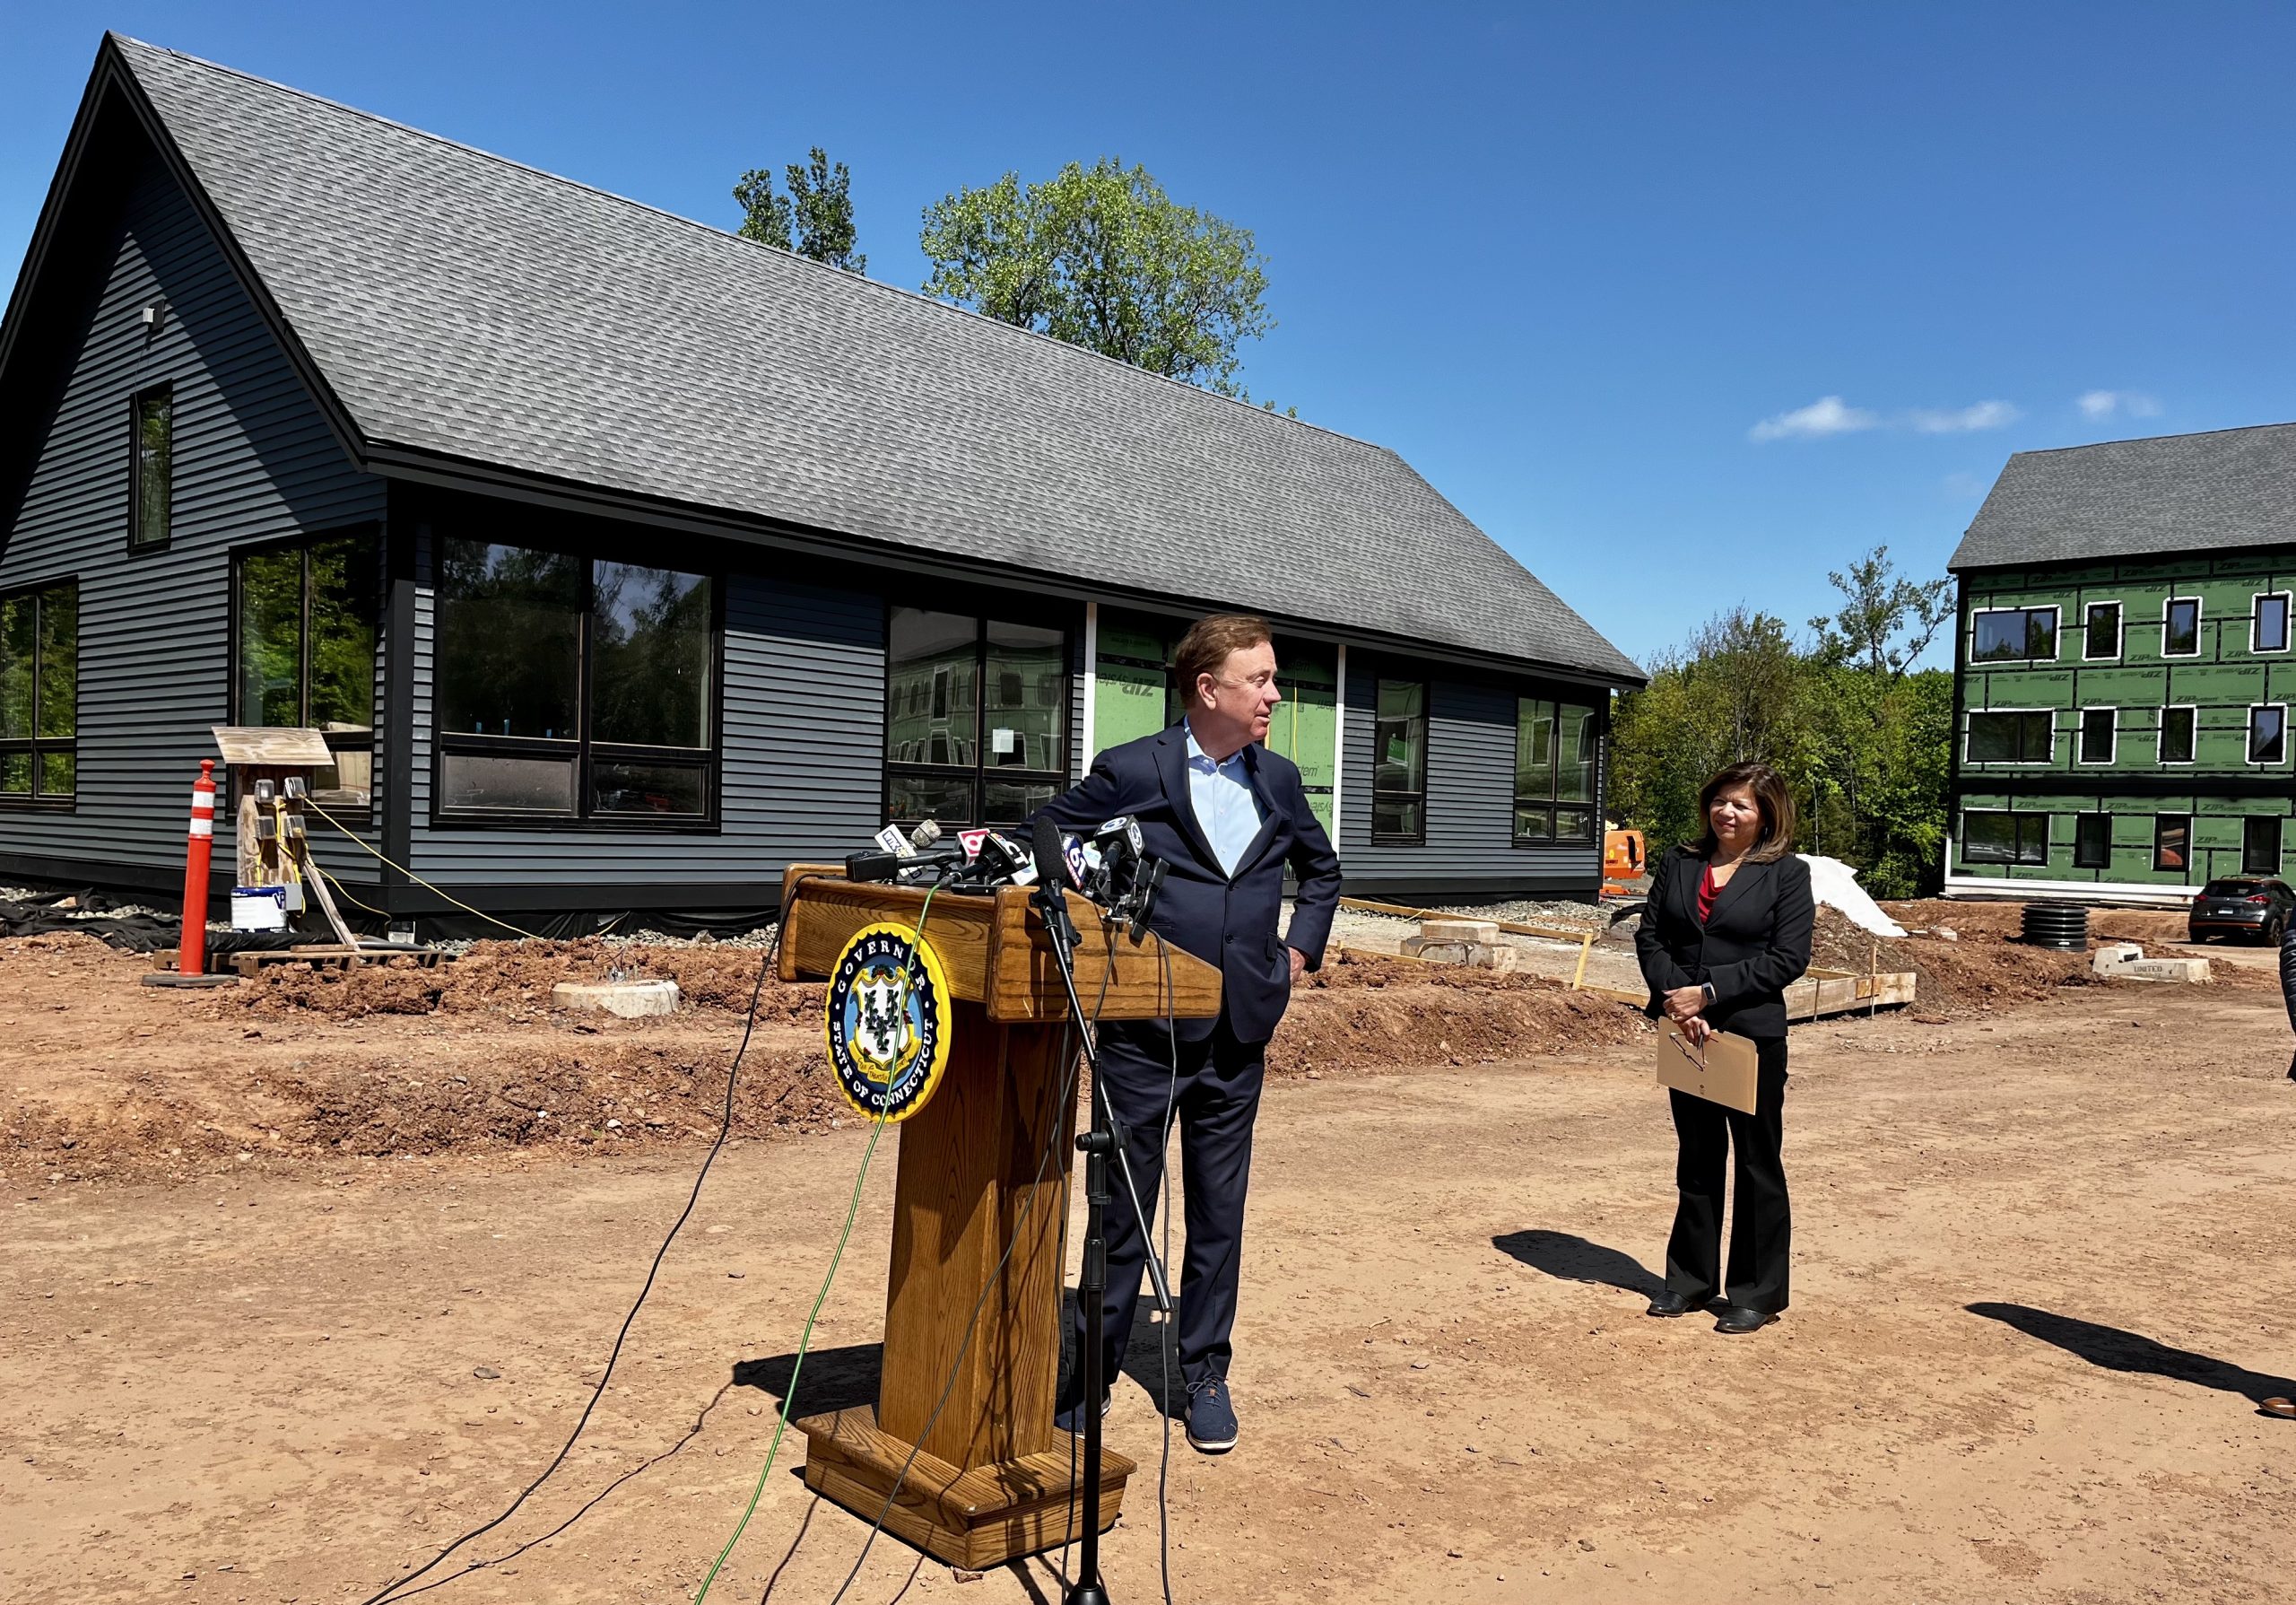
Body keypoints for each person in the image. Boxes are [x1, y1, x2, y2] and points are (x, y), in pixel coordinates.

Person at [1034, 613, 1342, 1452]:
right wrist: (1095, 921)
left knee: (1219, 1214)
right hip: (1143, 1033)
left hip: (1240, 1031)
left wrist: (1296, 950)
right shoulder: (1136, 767)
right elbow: (1050, 828)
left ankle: (1204, 1373)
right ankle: (1088, 1377)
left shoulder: (1278, 779)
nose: (1277, 694)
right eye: (1262, 680)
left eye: (1275, 679)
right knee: (1122, 1211)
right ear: (1208, 689)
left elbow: (1322, 869)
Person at [1632, 761, 1814, 1335]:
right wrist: (1675, 999)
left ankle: (1756, 1293)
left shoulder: (1787, 874)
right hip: (1685, 1032)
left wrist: (1708, 994)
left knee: (1758, 1164)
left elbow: (1788, 959)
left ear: (1766, 815)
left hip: (1747, 1036)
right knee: (1698, 1159)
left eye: (1741, 804)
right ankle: (1689, 1279)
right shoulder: (1679, 862)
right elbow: (1652, 935)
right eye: (1720, 800)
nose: (1726, 812)